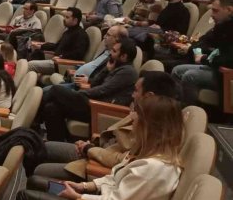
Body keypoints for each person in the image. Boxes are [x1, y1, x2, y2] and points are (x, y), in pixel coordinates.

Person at [15, 94, 183, 200]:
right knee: (35, 182)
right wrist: (85, 186)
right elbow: (114, 179)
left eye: (137, 116)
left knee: (26, 197)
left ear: (150, 127)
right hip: (98, 198)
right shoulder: (146, 153)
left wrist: (79, 196)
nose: (133, 120)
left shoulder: (153, 168)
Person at [34, 71, 180, 182]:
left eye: (136, 91)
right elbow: (112, 138)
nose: (132, 95)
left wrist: (89, 149)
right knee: (40, 144)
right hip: (97, 150)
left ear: (148, 96)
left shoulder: (153, 127)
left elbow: (122, 160)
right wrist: (91, 144)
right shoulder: (141, 111)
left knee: (39, 170)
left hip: (98, 165)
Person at [40, 38, 138, 142]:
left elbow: (102, 90)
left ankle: (35, 120)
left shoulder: (128, 72)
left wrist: (79, 93)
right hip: (93, 103)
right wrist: (107, 70)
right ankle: (55, 144)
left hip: (99, 109)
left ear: (124, 56)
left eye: (114, 51)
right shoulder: (116, 67)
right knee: (51, 107)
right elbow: (94, 83)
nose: (110, 54)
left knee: (56, 90)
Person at [172, 0, 233, 107]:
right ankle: (177, 110)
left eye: (215, 10)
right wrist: (199, 54)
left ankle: (189, 114)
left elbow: (228, 59)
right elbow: (199, 43)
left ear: (229, 10)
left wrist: (204, 58)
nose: (212, 15)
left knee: (190, 76)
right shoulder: (222, 25)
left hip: (227, 75)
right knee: (177, 70)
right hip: (216, 68)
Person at [27, 7, 89, 74]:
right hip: (56, 60)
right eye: (64, 17)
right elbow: (56, 46)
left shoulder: (81, 35)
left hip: (64, 65)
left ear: (75, 20)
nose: (64, 19)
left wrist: (61, 57)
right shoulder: (68, 32)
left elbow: (78, 54)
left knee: (30, 65)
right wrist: (40, 46)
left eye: (67, 17)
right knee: (33, 55)